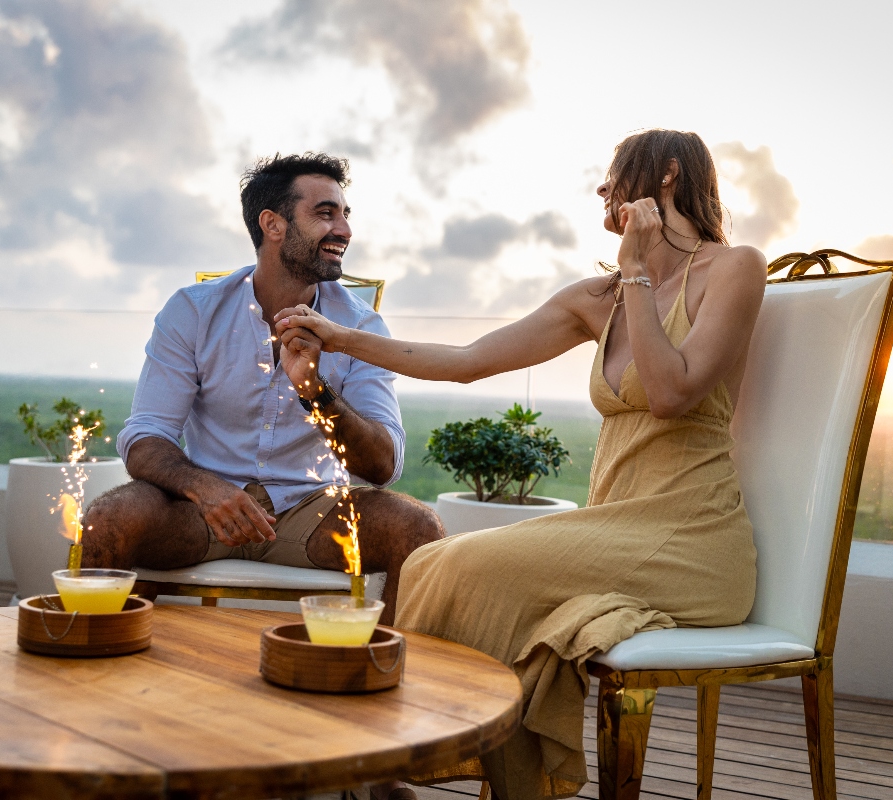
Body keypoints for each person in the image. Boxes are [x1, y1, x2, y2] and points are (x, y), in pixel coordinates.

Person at [275, 130, 766, 800]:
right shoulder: (598, 298)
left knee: (472, 566)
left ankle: (388, 760)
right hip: (614, 527)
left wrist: (639, 273)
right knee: (428, 563)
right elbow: (466, 361)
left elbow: (674, 392)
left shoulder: (734, 268)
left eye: (614, 177)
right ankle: (389, 763)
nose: (603, 191)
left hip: (693, 538)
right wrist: (340, 337)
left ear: (669, 175)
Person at [82, 152, 443, 625]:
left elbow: (382, 466)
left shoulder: (360, 326)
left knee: (419, 530)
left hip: (314, 513)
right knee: (108, 518)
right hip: (203, 510)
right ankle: (95, 660)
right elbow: (144, 438)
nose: (344, 231)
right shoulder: (193, 311)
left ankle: (381, 675)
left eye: (345, 214)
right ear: (272, 224)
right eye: (324, 213)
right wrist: (203, 487)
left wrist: (315, 391)